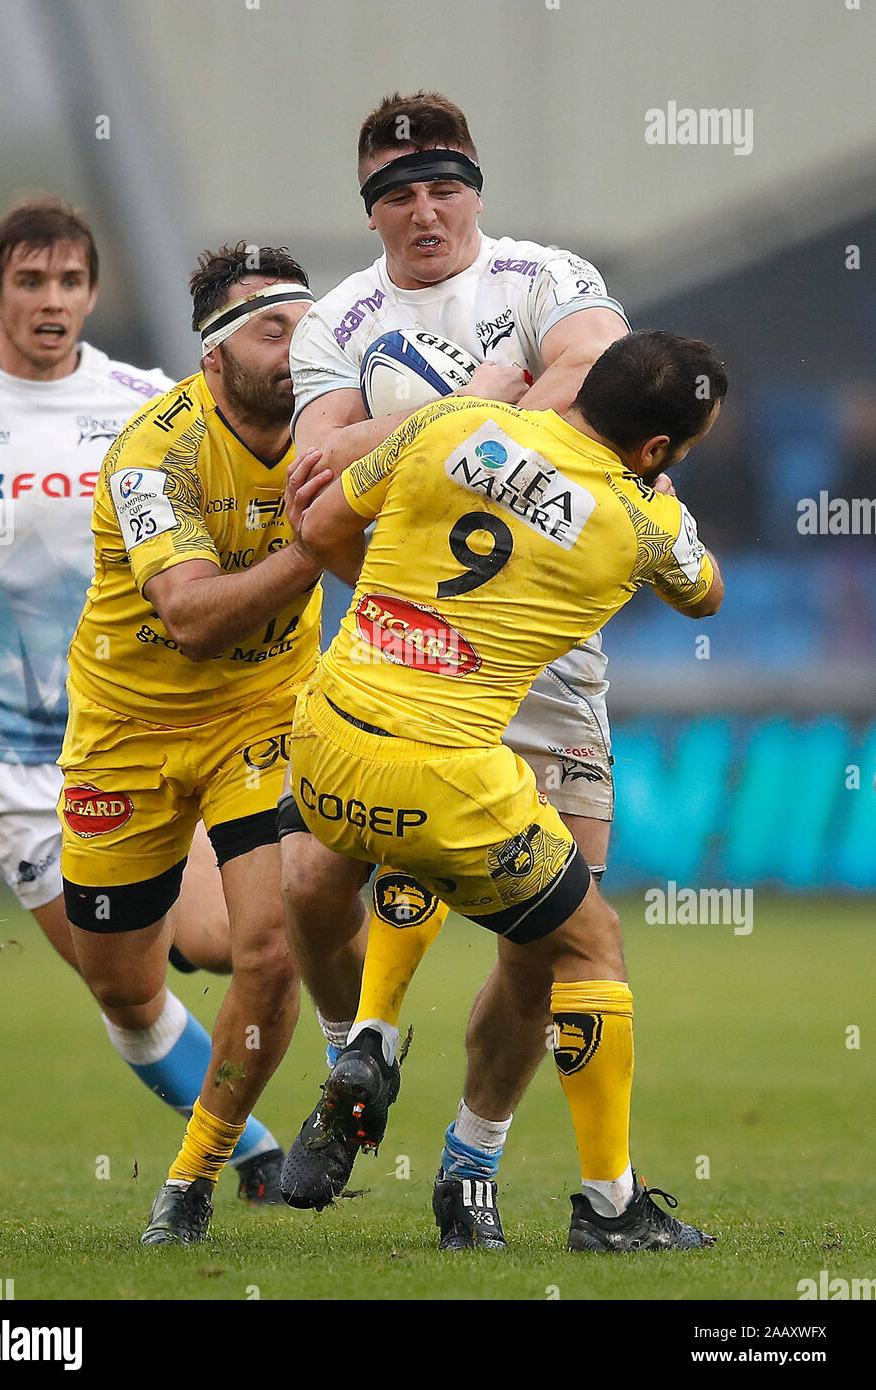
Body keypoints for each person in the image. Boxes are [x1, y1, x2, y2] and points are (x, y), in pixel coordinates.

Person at [281, 330, 726, 1251]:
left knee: (415, 851)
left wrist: (414, 622)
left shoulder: (455, 420)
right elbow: (706, 594)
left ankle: (365, 1039)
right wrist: (666, 508)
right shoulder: (637, 522)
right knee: (588, 946)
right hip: (444, 776)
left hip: (323, 751)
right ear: (654, 454)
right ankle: (610, 1209)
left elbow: (318, 526)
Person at [279, 90, 636, 1207]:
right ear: (372, 210)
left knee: (547, 941)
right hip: (405, 646)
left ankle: (470, 1159)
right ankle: (360, 1043)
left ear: (474, 186)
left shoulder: (544, 278)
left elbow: (603, 385)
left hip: (550, 665)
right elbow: (312, 492)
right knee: (312, 876)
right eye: (400, 196)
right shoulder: (335, 323)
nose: (426, 212)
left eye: (444, 187)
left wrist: (407, 432)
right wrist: (497, 396)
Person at [0, 200, 281, 1202]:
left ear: (92, 293)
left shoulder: (147, 404)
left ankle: (260, 1146)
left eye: (71, 282)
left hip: (154, 729)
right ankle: (254, 1144)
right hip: (17, 758)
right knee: (125, 991)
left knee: (226, 941)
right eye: (31, 283)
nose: (53, 301)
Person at [57, 242, 333, 1245]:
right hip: (128, 729)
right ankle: (181, 916)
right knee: (125, 989)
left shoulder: (337, 421)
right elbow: (191, 617)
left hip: (262, 713)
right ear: (212, 359)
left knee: (272, 947)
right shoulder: (153, 452)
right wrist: (315, 546)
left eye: (306, 324)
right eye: (271, 330)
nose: (297, 348)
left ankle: (194, 1177)